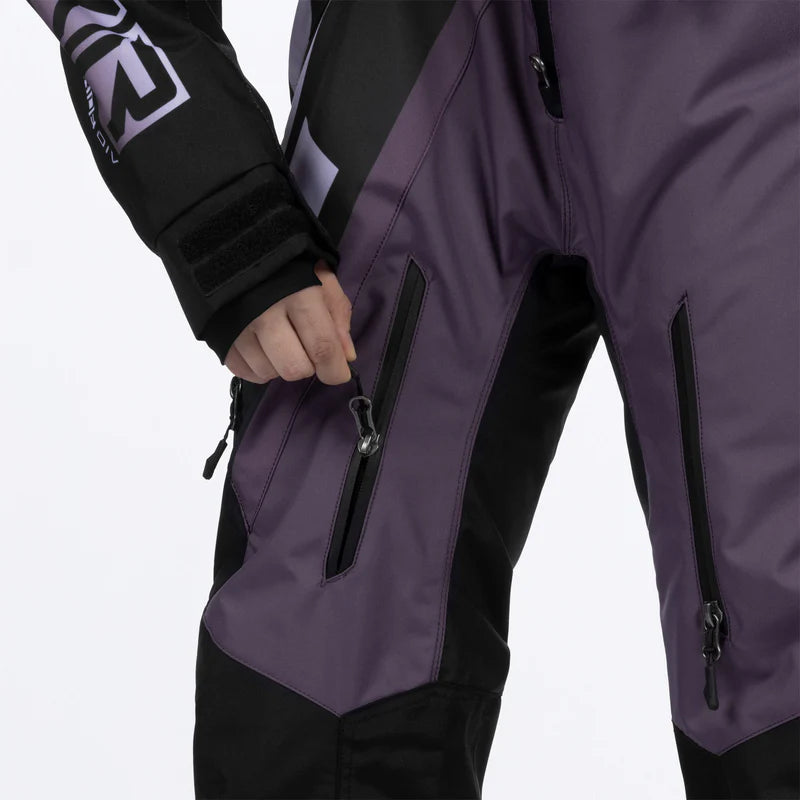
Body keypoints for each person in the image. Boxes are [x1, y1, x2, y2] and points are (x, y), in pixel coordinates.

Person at [29, 1, 799, 798]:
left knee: (782, 666)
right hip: (414, 59)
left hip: (750, 65)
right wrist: (219, 200)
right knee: (306, 678)